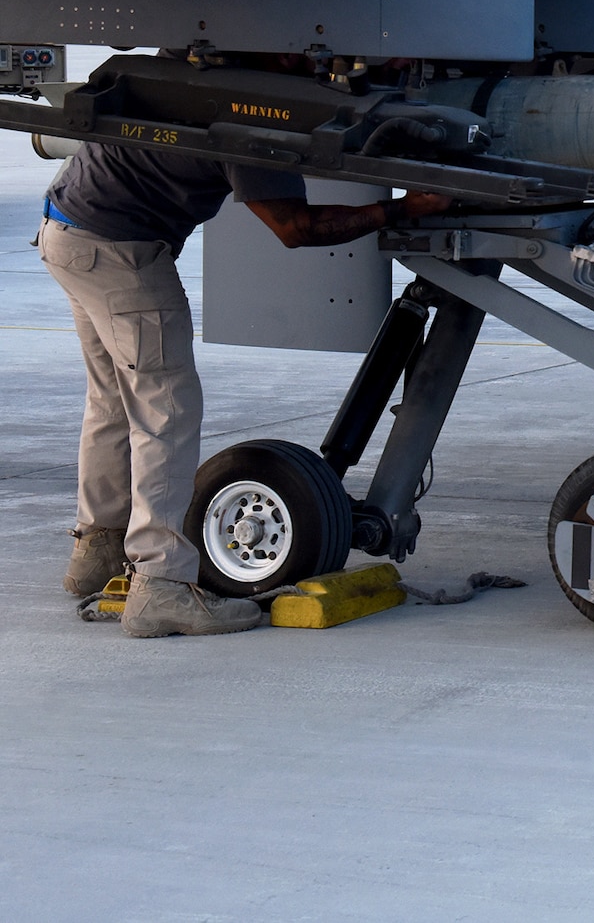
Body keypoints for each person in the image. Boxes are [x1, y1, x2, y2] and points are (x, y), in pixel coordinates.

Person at [41, 142, 449, 637]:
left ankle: (98, 549)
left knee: (111, 401)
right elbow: (296, 228)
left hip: (68, 230)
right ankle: (160, 583)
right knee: (165, 411)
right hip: (120, 250)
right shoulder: (252, 112)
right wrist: (401, 208)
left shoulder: (196, 73)